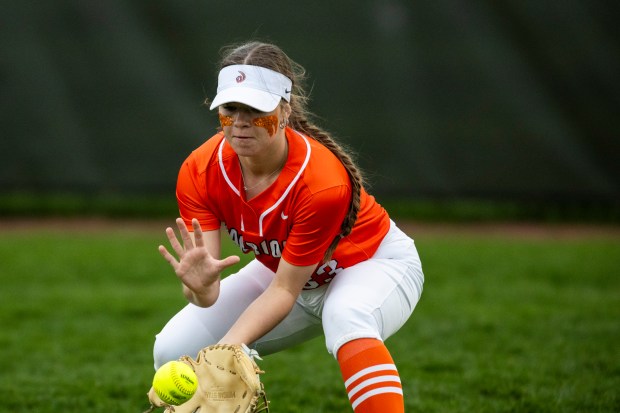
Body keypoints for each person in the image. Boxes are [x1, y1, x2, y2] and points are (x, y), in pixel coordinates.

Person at [153, 41, 424, 413]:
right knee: (172, 348)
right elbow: (210, 292)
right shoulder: (200, 171)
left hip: (371, 265)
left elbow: (283, 290)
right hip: (289, 278)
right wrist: (199, 289)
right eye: (231, 109)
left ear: (285, 110)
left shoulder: (322, 181)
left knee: (347, 316)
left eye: (256, 109)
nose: (242, 121)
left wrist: (226, 350)